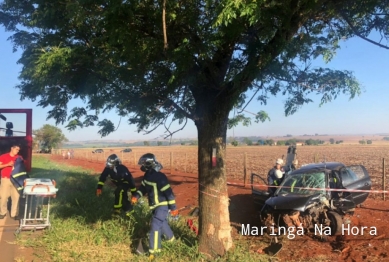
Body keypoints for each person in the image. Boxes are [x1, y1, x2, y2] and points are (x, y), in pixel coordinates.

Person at [131, 153, 178, 260]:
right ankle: (172, 240)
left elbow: (169, 193)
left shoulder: (160, 177)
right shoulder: (147, 175)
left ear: (149, 164)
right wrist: (136, 196)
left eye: (143, 164)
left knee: (155, 225)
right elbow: (143, 188)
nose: (142, 166)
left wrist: (173, 208)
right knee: (162, 223)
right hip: (154, 206)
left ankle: (154, 252)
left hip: (162, 205)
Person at [0, 144, 22, 219]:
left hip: (16, 180)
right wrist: (8, 164)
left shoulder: (19, 158)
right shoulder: (3, 156)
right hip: (5, 179)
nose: (17, 151)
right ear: (12, 148)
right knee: (3, 197)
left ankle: (14, 214)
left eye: (18, 150)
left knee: (15, 197)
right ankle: (2, 212)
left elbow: (22, 168)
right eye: (16, 149)